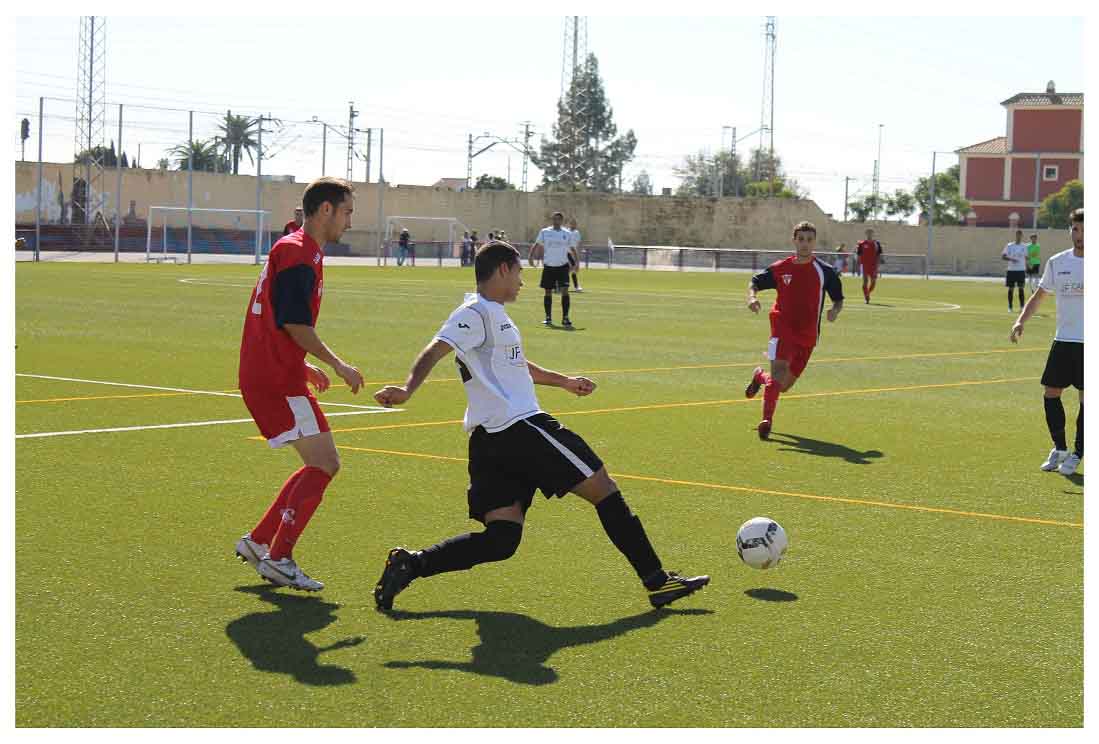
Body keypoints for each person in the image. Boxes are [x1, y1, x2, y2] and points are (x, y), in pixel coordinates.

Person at [370, 241, 709, 610]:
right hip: (520, 428)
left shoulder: (494, 315)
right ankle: (657, 582)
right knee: (603, 488)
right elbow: (435, 349)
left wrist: (564, 382)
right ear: (502, 270)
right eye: (518, 272)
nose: (522, 281)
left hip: (488, 441)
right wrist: (407, 389)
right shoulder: (475, 312)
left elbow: (517, 366)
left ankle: (411, 564)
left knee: (502, 539)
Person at [235, 177, 365, 591]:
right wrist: (338, 364)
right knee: (326, 463)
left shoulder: (296, 247)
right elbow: (294, 322)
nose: (349, 222)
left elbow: (276, 319)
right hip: (275, 378)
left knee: (318, 462)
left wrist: (303, 364)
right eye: (347, 212)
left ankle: (259, 542)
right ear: (326, 210)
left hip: (274, 371)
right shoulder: (299, 254)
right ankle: (279, 558)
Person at [744, 221, 844, 440]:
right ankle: (766, 421)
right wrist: (752, 298)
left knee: (783, 385)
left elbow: (838, 299)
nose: (805, 244)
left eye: (809, 240)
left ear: (814, 242)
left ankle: (760, 377)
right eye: (801, 239)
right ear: (794, 241)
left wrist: (834, 311)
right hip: (781, 327)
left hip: (808, 335)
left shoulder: (825, 272)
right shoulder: (781, 268)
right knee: (779, 372)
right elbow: (755, 282)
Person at [1010, 208, 1084, 475]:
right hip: (1063, 340)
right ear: (1070, 230)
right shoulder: (1057, 261)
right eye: (1076, 229)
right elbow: (1040, 295)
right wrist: (1020, 321)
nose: (1080, 235)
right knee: (1051, 393)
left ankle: (1078, 453)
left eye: (1085, 230)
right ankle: (1060, 448)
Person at [530, 211, 575, 327]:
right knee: (548, 291)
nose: (556, 221)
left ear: (562, 220)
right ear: (552, 220)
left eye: (558, 219)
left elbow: (571, 248)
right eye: (554, 219)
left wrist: (576, 262)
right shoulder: (545, 232)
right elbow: (536, 244)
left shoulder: (567, 233)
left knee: (565, 291)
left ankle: (565, 318)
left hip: (563, 266)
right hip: (549, 266)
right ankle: (548, 317)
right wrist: (531, 257)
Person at [1001, 229, 1029, 311]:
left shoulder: (1024, 246)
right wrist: (1011, 259)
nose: (1019, 236)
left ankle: (1022, 307)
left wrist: (1027, 265)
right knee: (1011, 289)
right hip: (1011, 270)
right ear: (1015, 235)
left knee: (1021, 288)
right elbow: (1003, 256)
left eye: (1020, 235)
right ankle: (1010, 307)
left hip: (1021, 270)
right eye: (1017, 235)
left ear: (1022, 236)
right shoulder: (1009, 245)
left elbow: (1026, 257)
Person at [855, 229, 882, 303]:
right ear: (866, 234)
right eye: (868, 233)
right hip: (864, 265)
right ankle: (866, 297)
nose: (869, 234)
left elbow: (879, 255)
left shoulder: (877, 243)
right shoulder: (861, 243)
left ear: (873, 234)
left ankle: (868, 293)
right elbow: (858, 255)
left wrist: (878, 265)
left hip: (873, 265)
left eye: (871, 233)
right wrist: (857, 267)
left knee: (873, 282)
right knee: (865, 282)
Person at [567, 217, 584, 292]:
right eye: (572, 223)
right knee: (571, 269)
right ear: (569, 224)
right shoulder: (566, 231)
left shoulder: (577, 232)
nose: (573, 225)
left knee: (572, 270)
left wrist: (578, 253)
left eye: (574, 223)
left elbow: (579, 243)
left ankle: (576, 286)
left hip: (573, 253)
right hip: (567, 253)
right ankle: (576, 286)